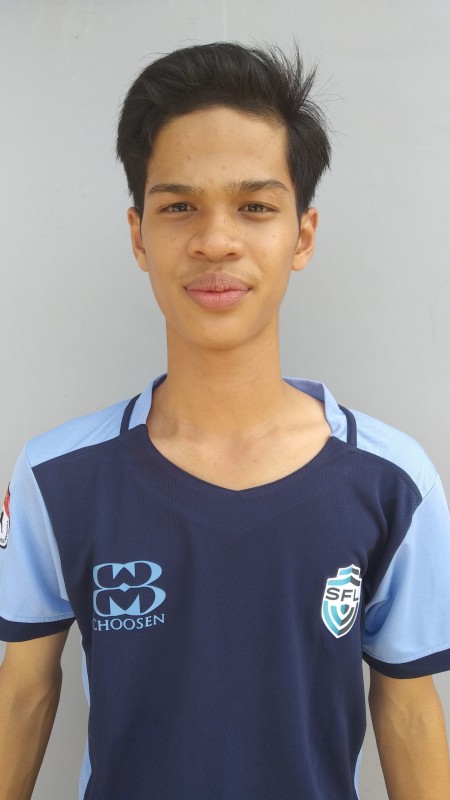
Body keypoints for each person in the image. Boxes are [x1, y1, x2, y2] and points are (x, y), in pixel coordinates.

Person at [0, 39, 449, 800]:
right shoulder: (56, 477)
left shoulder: (393, 482)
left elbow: (407, 711)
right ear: (138, 235)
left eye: (255, 207)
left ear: (302, 235)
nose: (215, 240)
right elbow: (24, 692)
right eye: (179, 206)